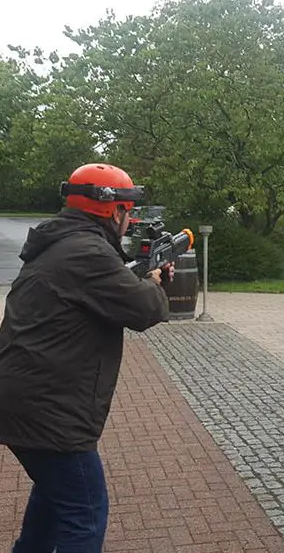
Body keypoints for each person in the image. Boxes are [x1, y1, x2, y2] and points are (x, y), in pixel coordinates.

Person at [0, 163, 174, 552]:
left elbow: (99, 294)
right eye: (129, 211)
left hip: (28, 397)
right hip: (50, 409)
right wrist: (154, 283)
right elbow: (146, 310)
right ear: (114, 210)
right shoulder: (88, 252)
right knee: (85, 514)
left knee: (54, 498)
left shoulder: (65, 242)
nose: (130, 220)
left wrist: (140, 279)